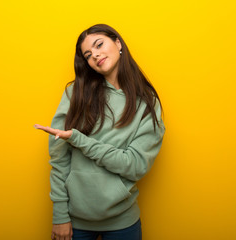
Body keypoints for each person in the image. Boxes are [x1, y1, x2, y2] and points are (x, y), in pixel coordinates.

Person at [34, 24, 166, 240]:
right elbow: (59, 159)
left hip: (123, 222)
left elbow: (135, 165)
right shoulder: (75, 93)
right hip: (74, 222)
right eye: (88, 54)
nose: (95, 55)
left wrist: (79, 140)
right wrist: (60, 215)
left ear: (118, 42)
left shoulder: (147, 102)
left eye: (99, 44)